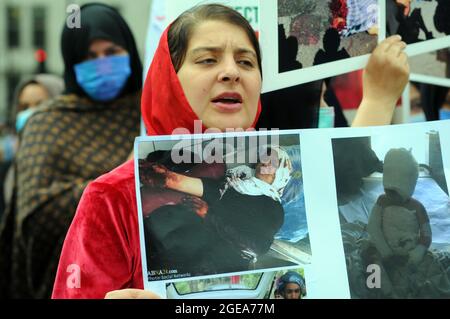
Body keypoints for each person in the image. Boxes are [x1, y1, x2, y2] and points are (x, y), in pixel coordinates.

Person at [52, 4, 409, 299]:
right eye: (207, 60)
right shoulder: (112, 198)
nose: (230, 72)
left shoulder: (272, 190)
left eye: (246, 62)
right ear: (169, 77)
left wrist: (380, 97)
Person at [0, 3, 142, 299]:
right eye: (89, 56)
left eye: (112, 52)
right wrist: (118, 182)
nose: (102, 64)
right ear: (71, 62)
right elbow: (35, 217)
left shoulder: (150, 114)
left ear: (130, 51)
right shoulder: (46, 124)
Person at [141, 146, 291, 277]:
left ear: (282, 172)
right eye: (264, 158)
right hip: (203, 236)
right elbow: (204, 188)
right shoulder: (234, 184)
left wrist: (209, 215)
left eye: (272, 161)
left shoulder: (274, 210)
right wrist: (168, 178)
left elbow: (256, 247)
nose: (265, 162)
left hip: (225, 260)